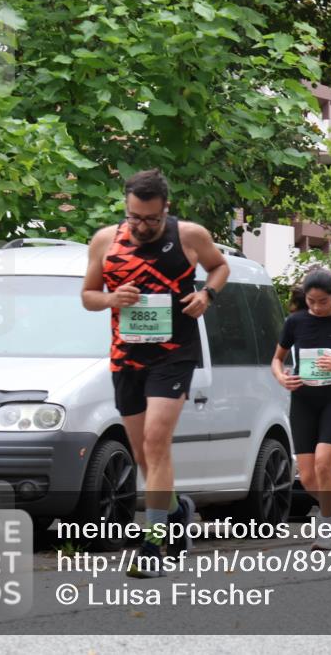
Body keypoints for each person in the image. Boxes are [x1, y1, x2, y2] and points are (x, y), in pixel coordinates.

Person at [82, 169, 230, 576]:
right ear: (125, 208)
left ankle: (152, 544)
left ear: (166, 208)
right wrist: (112, 298)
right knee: (142, 452)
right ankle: (177, 510)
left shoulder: (190, 236)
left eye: (151, 219)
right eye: (134, 217)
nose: (142, 226)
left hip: (174, 354)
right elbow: (88, 296)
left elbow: (220, 267)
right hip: (126, 356)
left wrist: (206, 294)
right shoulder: (104, 241)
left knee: (156, 440)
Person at [271, 268, 331, 550]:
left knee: (323, 464)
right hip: (303, 399)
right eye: (311, 301)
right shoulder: (295, 322)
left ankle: (326, 530)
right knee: (307, 478)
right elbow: (276, 360)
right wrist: (281, 378)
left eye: (323, 302)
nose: (316, 307)